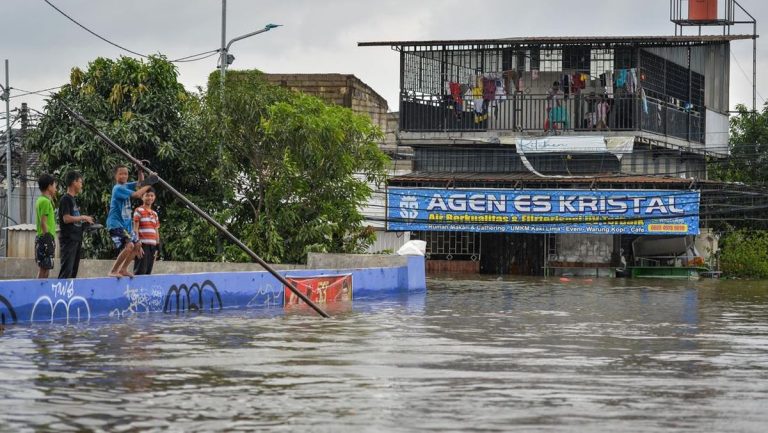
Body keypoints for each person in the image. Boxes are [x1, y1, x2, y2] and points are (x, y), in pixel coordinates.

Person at [107, 164, 154, 277]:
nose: (124, 176)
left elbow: (140, 184)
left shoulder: (126, 186)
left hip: (126, 226)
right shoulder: (118, 188)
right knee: (129, 246)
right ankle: (113, 270)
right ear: (115, 176)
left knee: (137, 245)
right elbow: (138, 194)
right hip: (116, 224)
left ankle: (123, 269)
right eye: (121, 174)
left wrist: (140, 171)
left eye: (126, 174)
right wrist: (150, 183)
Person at [57, 171, 95, 279]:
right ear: (74, 182)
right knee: (67, 270)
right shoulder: (66, 199)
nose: (81, 185)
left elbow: (74, 221)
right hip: (69, 240)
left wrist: (85, 224)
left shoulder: (73, 200)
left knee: (73, 271)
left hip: (76, 239)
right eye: (80, 182)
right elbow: (66, 218)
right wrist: (83, 217)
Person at [133, 187, 160, 275]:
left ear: (154, 197)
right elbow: (135, 229)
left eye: (152, 195)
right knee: (140, 271)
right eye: (147, 195)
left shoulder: (155, 214)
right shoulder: (138, 210)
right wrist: (137, 245)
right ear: (142, 197)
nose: (149, 198)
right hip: (143, 245)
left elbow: (156, 230)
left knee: (148, 271)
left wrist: (157, 247)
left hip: (152, 246)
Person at [34, 174, 57, 279]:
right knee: (44, 268)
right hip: (45, 238)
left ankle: (41, 292)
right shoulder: (45, 202)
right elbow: (43, 222)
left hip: (45, 237)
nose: (56, 189)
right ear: (49, 187)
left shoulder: (43, 200)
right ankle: (38, 292)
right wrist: (48, 241)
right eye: (54, 186)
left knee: (46, 268)